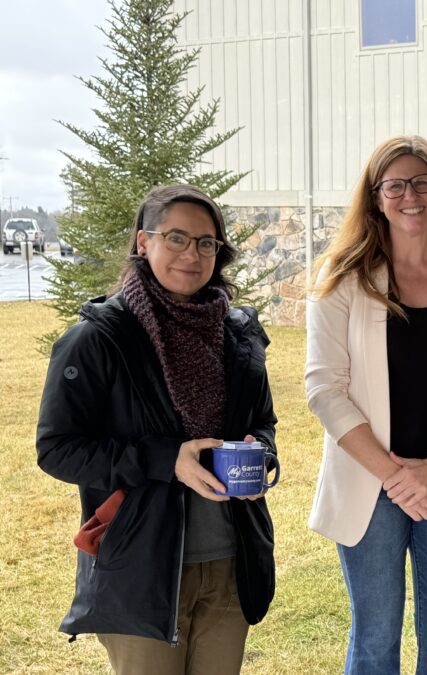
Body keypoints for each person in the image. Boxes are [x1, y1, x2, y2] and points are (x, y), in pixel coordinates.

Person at [36, 185, 277, 674]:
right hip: (142, 569)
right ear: (144, 243)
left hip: (231, 564)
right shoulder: (99, 339)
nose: (192, 254)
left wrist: (262, 452)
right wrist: (166, 458)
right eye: (177, 238)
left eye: (206, 243)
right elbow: (57, 448)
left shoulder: (238, 335)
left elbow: (262, 422)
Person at [306, 135, 427, 674]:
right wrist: (396, 478)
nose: (410, 194)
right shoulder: (342, 278)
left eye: (422, 181)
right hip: (368, 487)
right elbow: (324, 389)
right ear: (375, 198)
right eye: (395, 184)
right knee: (374, 643)